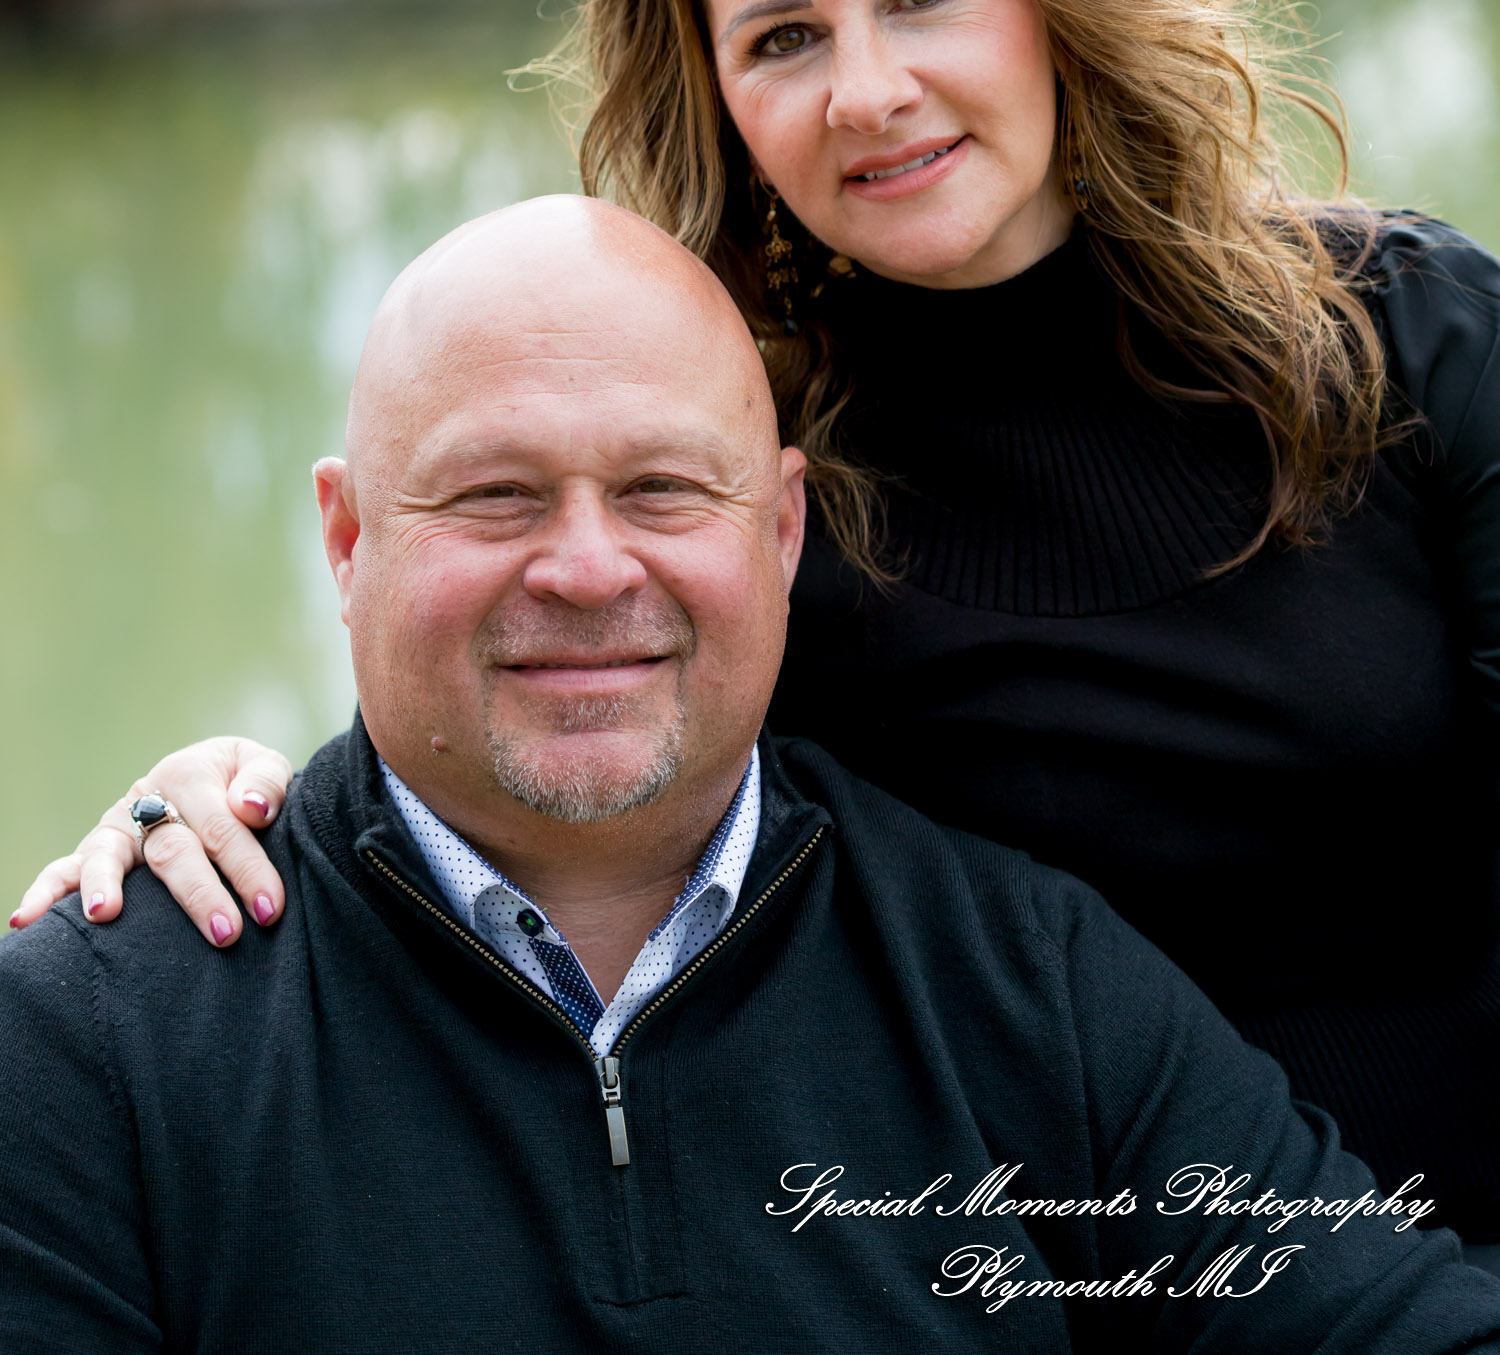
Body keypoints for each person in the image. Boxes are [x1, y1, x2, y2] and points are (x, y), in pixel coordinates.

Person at [19, 0, 1500, 1245]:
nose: (866, 90)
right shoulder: (734, 476)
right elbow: (486, 773)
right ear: (719, 88)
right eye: (783, 36)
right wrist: (225, 805)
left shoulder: (1405, 339)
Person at [3, 195, 1499, 1354]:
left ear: (782, 533)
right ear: (347, 541)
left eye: (662, 488)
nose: (588, 569)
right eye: (495, 493)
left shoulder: (1027, 986)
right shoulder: (90, 1047)